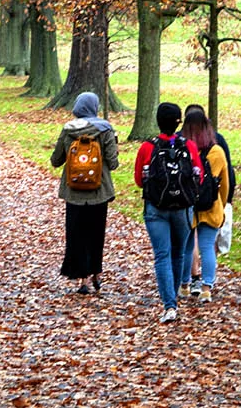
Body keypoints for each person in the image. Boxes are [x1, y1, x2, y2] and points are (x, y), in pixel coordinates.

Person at [135, 101, 204, 323]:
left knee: (162, 255)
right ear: (178, 123)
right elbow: (198, 177)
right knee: (178, 253)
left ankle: (169, 305)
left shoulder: (148, 147)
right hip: (183, 208)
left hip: (156, 207)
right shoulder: (189, 147)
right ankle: (173, 296)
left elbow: (139, 180)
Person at [50, 92, 119, 294]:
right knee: (96, 234)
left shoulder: (68, 129)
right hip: (99, 191)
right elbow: (112, 163)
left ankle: (82, 280)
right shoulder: (105, 129)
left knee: (77, 235)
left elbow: (56, 160)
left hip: (74, 192)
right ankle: (96, 272)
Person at [178, 107, 231, 304]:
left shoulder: (183, 149)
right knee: (207, 246)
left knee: (187, 246)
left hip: (187, 205)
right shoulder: (216, 151)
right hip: (210, 206)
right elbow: (224, 183)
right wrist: (223, 204)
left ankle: (184, 285)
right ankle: (206, 287)